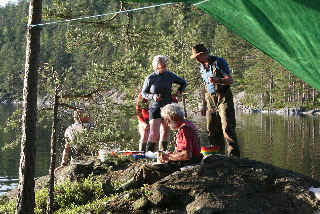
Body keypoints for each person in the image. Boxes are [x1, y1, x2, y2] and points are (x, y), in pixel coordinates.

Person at [128, 103, 201, 188]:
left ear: (172, 117)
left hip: (187, 163)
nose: (167, 123)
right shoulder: (188, 124)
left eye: (167, 120)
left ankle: (125, 188)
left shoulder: (185, 130)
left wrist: (167, 157)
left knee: (146, 168)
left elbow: (187, 155)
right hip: (192, 160)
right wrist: (171, 154)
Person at [190, 44, 240, 157]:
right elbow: (205, 86)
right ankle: (218, 156)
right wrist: (203, 104)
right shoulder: (201, 67)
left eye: (198, 56)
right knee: (211, 129)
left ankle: (234, 157)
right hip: (210, 100)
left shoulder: (219, 62)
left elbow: (230, 80)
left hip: (223, 97)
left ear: (204, 54)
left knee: (227, 127)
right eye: (195, 57)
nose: (196, 59)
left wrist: (218, 80)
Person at [142, 55, 187, 152]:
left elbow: (183, 83)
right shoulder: (150, 78)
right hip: (155, 107)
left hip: (168, 107)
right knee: (154, 133)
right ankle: (149, 155)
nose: (164, 65)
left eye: (165, 63)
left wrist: (178, 93)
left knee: (166, 131)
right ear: (156, 65)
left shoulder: (170, 75)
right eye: (162, 63)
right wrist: (153, 96)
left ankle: (163, 154)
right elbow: (144, 93)